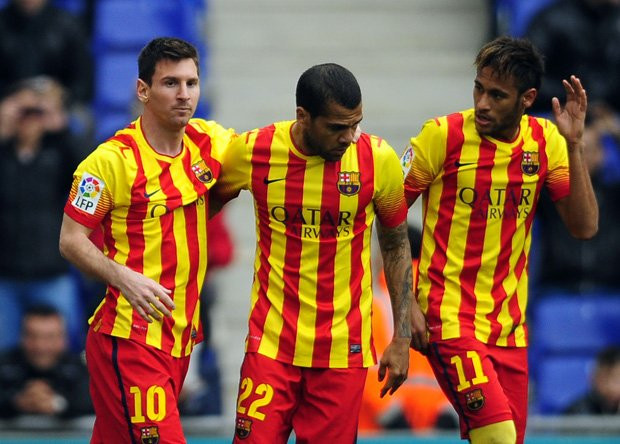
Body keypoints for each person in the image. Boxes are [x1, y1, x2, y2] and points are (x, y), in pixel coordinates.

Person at [212, 63, 428, 444]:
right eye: (336, 127)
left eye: (356, 124)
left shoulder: (378, 160)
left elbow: (395, 245)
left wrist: (400, 337)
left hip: (343, 350)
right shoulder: (253, 151)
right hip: (271, 344)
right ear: (303, 116)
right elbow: (202, 211)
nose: (349, 137)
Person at [400, 36, 598, 443]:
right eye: (478, 88)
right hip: (448, 316)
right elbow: (389, 218)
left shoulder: (546, 142)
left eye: (496, 95)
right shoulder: (442, 136)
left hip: (509, 328)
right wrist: (406, 310)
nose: (482, 103)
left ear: (527, 98)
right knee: (499, 437)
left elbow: (584, 227)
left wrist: (575, 146)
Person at [58, 37, 234, 443]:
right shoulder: (109, 161)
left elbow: (272, 149)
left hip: (181, 340)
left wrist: (331, 128)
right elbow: (70, 240)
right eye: (171, 83)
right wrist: (124, 278)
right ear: (143, 90)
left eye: (192, 83)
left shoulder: (212, 143)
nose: (184, 95)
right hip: (130, 338)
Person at [0, 76, 85, 352]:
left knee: (64, 349)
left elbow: (88, 175)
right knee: (5, 354)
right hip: (6, 275)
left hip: (51, 272)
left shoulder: (58, 154)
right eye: (23, 113)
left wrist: (59, 125)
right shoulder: (4, 154)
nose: (29, 120)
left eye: (36, 113)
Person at [524, 0, 620, 115]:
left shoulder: (614, 19)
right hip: (557, 111)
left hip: (607, 115)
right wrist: (574, 94)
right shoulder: (553, 20)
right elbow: (525, 76)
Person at [0, 305, 92, 419]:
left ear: (64, 339)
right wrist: (16, 402)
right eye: (33, 336)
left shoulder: (80, 367)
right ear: (21, 337)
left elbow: (94, 402)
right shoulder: (5, 364)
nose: (41, 346)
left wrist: (58, 403)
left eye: (49, 337)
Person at [0, 0, 93, 107]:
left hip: (57, 106)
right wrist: (10, 99)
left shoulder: (69, 25)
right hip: (9, 106)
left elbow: (83, 84)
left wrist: (62, 98)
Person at [564, 346, 620, 414]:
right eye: (604, 378)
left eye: (617, 379)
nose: (611, 386)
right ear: (593, 377)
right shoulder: (576, 411)